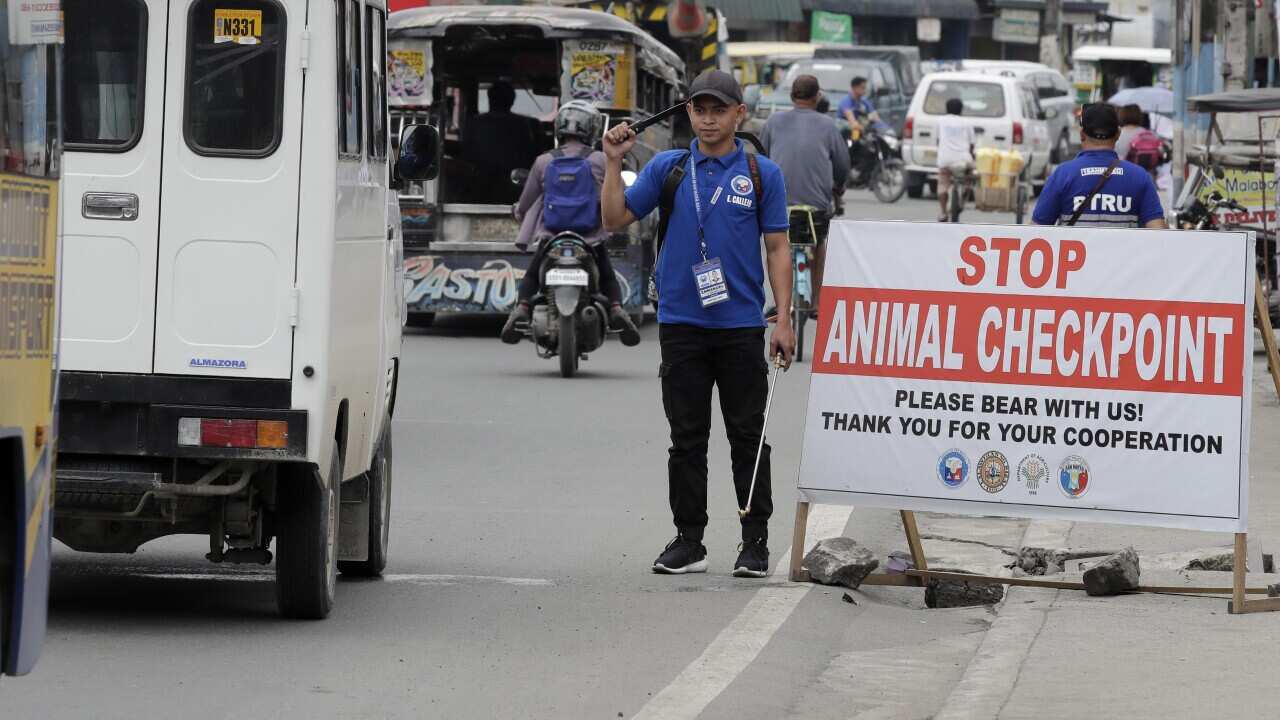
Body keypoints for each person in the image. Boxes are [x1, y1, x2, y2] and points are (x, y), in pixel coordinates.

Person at [601, 70, 794, 578]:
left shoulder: (761, 174)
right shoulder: (668, 168)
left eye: (719, 109)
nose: (708, 119)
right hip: (681, 323)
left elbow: (778, 248)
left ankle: (755, 543)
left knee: (748, 437)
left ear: (738, 114)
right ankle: (690, 540)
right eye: (700, 109)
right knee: (687, 438)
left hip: (739, 327)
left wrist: (784, 318)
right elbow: (616, 218)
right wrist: (613, 163)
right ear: (688, 112)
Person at [501, 101, 641, 346]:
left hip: (551, 236)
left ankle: (522, 308)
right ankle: (618, 309)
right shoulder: (600, 159)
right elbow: (615, 194)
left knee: (533, 273)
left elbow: (526, 201)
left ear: (559, 128)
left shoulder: (543, 161)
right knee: (607, 274)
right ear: (593, 129)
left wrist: (518, 212)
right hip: (590, 237)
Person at [760, 74, 849, 309]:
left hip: (779, 206)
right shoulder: (829, 125)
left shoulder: (773, 122)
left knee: (775, 245)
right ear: (817, 97)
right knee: (819, 242)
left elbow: (760, 160)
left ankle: (778, 300)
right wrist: (838, 187)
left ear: (791, 96)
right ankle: (817, 302)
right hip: (817, 207)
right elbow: (842, 165)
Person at [1031, 103, 1167, 228]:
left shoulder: (1062, 175)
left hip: (1076, 255)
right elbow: (1158, 231)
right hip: (1123, 255)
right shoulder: (1139, 177)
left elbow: (1036, 231)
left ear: (1082, 134)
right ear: (1118, 134)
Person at [460, 82, 538, 203]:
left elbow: (465, 151)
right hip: (513, 184)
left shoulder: (474, 123)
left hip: (480, 182)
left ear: (489, 99)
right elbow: (530, 153)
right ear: (512, 101)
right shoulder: (521, 124)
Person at [935, 98, 976, 221]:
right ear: (961, 110)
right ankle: (964, 194)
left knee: (943, 184)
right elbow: (972, 144)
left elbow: (938, 141)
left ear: (946, 109)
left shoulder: (940, 121)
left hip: (945, 160)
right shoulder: (967, 122)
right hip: (963, 159)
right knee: (969, 178)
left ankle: (943, 213)